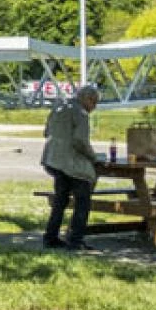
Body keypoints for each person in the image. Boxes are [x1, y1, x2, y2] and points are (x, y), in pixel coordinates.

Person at [40, 84, 102, 250]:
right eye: (94, 103)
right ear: (87, 99)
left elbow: (46, 132)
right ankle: (75, 240)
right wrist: (94, 158)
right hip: (70, 163)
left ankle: (50, 237)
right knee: (83, 201)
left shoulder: (59, 108)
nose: (94, 107)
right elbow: (80, 141)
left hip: (53, 160)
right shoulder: (80, 114)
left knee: (60, 200)